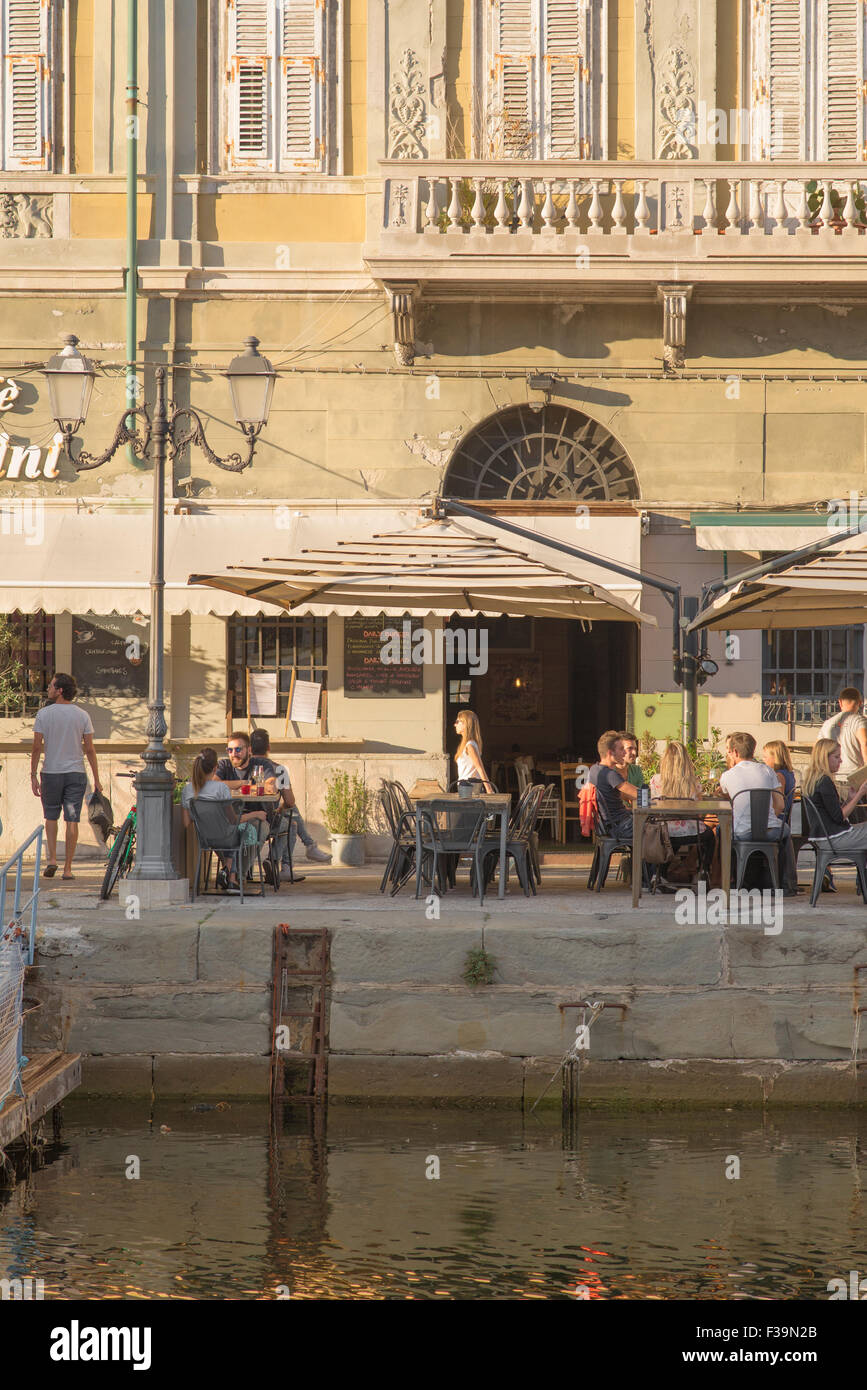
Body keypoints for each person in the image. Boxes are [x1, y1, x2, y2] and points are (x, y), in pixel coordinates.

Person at [30, 672, 102, 881]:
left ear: (60, 690)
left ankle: (52, 859)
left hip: (51, 773)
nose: (48, 689)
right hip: (75, 774)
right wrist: (96, 779)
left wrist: (33, 774)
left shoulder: (44, 714)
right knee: (72, 819)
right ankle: (68, 868)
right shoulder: (82, 715)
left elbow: (36, 747)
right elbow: (89, 749)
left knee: (51, 816)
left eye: (52, 686)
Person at [719, 731, 798, 895]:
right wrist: (764, 822)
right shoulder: (768, 771)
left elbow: (725, 798)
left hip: (742, 833)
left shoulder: (727, 776)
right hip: (771, 832)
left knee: (721, 831)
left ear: (735, 752)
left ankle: (730, 880)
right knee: (786, 832)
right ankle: (787, 884)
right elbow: (780, 804)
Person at [182, 747, 267, 892]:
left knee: (230, 833)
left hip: (205, 838)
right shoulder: (220, 788)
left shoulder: (188, 790)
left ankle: (229, 874)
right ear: (215, 768)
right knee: (244, 830)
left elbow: (186, 823)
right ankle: (232, 876)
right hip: (226, 837)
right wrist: (256, 814)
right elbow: (234, 820)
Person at [249, 729, 330, 874]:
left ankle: (308, 846)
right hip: (268, 820)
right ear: (269, 748)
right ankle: (283, 863)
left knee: (290, 812)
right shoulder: (278, 769)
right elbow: (290, 801)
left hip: (243, 819)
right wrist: (281, 808)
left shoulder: (242, 768)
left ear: (249, 748)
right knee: (291, 819)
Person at [649, 740, 714, 875]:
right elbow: (699, 811)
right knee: (710, 836)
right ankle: (704, 871)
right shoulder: (693, 782)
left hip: (664, 831)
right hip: (691, 831)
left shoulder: (656, 780)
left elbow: (653, 806)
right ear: (686, 761)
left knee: (671, 834)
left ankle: (658, 875)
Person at [801, 737, 867, 859]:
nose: (841, 761)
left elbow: (832, 813)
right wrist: (859, 794)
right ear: (824, 758)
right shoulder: (824, 781)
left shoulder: (815, 780)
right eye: (837, 757)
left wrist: (849, 799)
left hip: (825, 836)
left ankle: (862, 875)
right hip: (833, 838)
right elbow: (839, 817)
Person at [588, 730, 638, 840]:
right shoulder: (610, 774)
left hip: (608, 825)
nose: (624, 753)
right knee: (657, 828)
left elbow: (618, 795)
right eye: (621, 749)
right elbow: (640, 794)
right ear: (611, 753)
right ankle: (645, 857)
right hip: (620, 827)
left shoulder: (594, 769)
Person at [819, 688, 867, 779]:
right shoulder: (860, 721)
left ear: (840, 702)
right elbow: (865, 743)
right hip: (855, 778)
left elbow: (818, 748)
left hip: (832, 777)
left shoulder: (827, 723)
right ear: (860, 703)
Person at [454, 710, 494, 792]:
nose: (455, 725)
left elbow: (480, 768)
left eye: (457, 722)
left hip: (470, 788)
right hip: (466, 787)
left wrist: (489, 790)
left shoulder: (470, 745)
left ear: (465, 724)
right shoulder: (466, 744)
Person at [762, 740, 796, 821]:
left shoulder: (779, 776)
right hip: (784, 818)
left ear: (775, 757)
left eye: (765, 757)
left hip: (778, 819)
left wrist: (767, 822)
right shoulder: (789, 773)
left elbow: (779, 805)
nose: (763, 760)